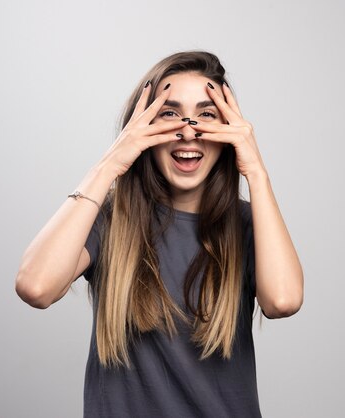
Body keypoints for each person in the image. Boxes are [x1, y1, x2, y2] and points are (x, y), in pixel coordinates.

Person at [15, 50, 303, 418]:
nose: (187, 130)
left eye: (207, 115)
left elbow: (283, 301)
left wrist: (256, 172)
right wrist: (111, 162)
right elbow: (35, 287)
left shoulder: (246, 224)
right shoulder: (110, 220)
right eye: (169, 113)